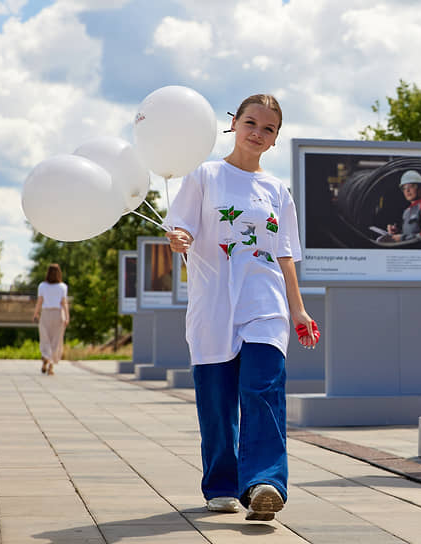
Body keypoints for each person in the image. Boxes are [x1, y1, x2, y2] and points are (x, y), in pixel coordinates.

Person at [164, 93, 319, 521]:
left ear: (274, 140)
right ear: (234, 123)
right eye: (251, 122)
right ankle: (221, 484)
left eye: (268, 129)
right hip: (213, 305)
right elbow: (182, 228)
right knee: (217, 401)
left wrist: (299, 310)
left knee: (263, 390)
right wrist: (179, 239)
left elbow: (285, 254)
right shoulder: (204, 175)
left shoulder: (277, 189)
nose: (257, 133)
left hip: (265, 304)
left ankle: (266, 483)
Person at [32, 263, 68, 376]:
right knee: (56, 341)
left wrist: (35, 314)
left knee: (45, 338)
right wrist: (67, 316)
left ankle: (45, 358)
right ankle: (51, 367)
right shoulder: (63, 286)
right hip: (58, 313)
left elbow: (40, 301)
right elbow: (64, 303)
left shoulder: (42, 286)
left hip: (46, 313)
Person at [379, 170, 421, 242]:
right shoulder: (408, 210)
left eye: (411, 186)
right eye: (404, 188)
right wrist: (396, 231)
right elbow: (411, 233)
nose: (407, 190)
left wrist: (402, 238)